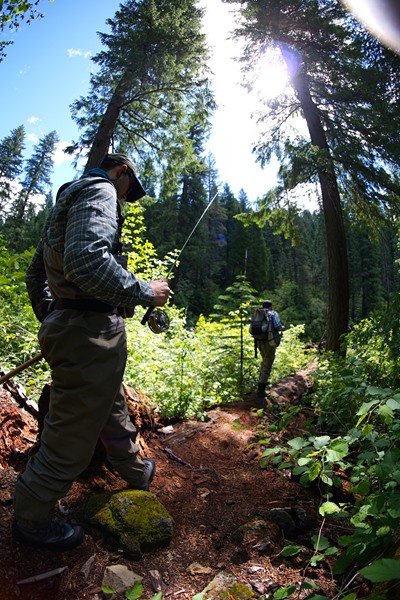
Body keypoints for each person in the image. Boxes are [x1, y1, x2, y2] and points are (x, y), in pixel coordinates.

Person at [12, 153, 170, 552]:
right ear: (121, 173)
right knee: (72, 435)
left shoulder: (66, 202)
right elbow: (87, 262)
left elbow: (36, 273)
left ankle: (134, 470)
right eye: (128, 189)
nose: (125, 197)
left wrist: (55, 315)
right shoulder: (100, 191)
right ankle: (30, 520)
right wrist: (145, 291)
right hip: (90, 332)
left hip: (79, 329)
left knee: (110, 402)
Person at [256, 300, 284, 406]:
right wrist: (283, 328)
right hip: (269, 342)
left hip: (259, 342)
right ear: (271, 306)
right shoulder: (273, 314)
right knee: (268, 363)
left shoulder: (258, 313)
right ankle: (261, 390)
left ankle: (260, 384)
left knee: (264, 361)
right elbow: (277, 326)